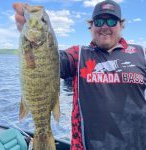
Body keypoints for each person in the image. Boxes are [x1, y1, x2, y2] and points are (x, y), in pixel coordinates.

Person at [13, 0, 146, 149]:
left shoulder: (141, 54)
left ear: (121, 25)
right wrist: (32, 32)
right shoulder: (78, 55)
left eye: (111, 20)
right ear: (91, 26)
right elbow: (49, 62)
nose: (105, 26)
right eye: (99, 21)